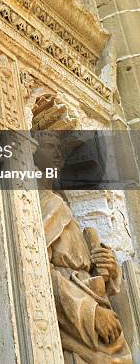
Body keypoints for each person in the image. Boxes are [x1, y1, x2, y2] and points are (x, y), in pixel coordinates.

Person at [35, 132, 132, 363]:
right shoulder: (42, 203)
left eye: (60, 149)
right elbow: (37, 271)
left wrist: (108, 268)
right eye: (49, 146)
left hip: (93, 313)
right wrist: (91, 312)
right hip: (74, 324)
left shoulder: (60, 202)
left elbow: (84, 266)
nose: (59, 155)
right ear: (30, 152)